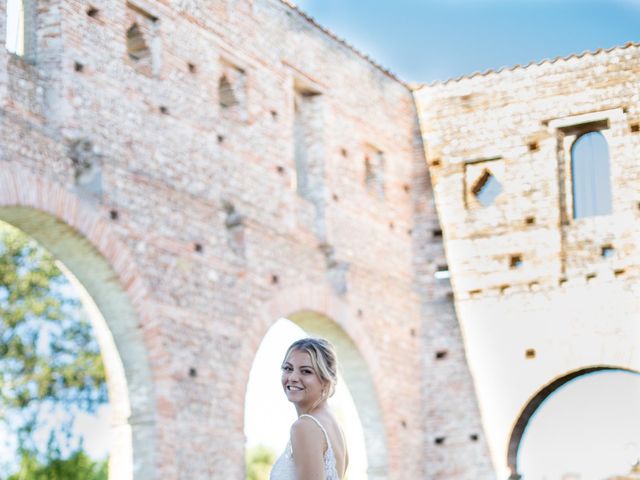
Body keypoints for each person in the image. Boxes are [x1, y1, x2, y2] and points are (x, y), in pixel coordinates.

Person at [270, 338, 349, 480]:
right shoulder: (334, 424)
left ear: (325, 380)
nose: (293, 377)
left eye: (306, 371)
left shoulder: (305, 426)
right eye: (288, 368)